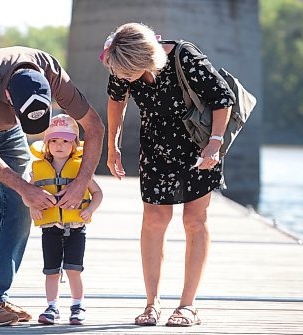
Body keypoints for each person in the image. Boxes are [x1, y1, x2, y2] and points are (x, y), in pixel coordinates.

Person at [0, 46, 104, 326]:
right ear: (7, 97)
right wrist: (27, 189)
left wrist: (81, 182)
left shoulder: (52, 74)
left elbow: (95, 126)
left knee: (20, 207)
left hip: (7, 126)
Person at [100, 23, 236, 327]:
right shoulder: (121, 62)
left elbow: (223, 98)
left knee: (194, 220)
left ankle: (188, 306)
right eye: (119, 73)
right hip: (156, 148)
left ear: (146, 59)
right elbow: (115, 101)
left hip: (199, 146)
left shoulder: (184, 57)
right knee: (154, 220)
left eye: (127, 74)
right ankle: (152, 304)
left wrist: (215, 144)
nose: (122, 78)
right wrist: (113, 146)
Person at [28, 114, 103, 326]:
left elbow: (98, 194)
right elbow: (28, 194)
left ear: (73, 145)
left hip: (76, 228)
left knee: (73, 269)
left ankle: (77, 305)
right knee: (51, 271)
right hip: (50, 229)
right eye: (54, 140)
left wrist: (90, 210)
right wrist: (33, 207)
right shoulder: (38, 169)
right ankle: (51, 306)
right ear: (47, 144)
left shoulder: (81, 169)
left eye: (65, 141)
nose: (59, 145)